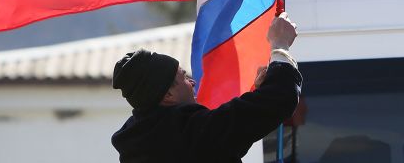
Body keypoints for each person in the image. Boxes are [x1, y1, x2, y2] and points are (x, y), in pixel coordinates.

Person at [110, 13, 302, 163]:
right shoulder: (190, 134)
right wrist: (280, 45)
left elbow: (228, 134)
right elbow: (279, 99)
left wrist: (256, 93)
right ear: (168, 95)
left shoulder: (141, 142)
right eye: (183, 77)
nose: (192, 82)